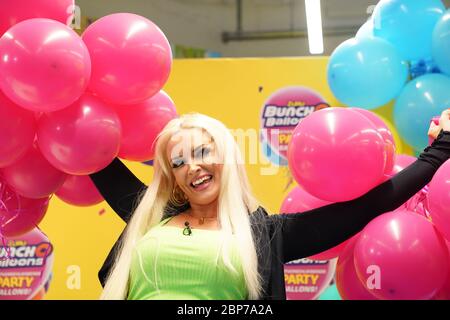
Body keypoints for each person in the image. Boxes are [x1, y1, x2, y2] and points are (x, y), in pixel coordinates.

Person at [90, 110, 450, 300]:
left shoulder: (266, 234)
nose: (192, 167)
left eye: (202, 152)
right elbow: (89, 148)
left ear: (226, 157)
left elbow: (370, 206)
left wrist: (440, 150)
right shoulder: (149, 215)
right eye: (179, 162)